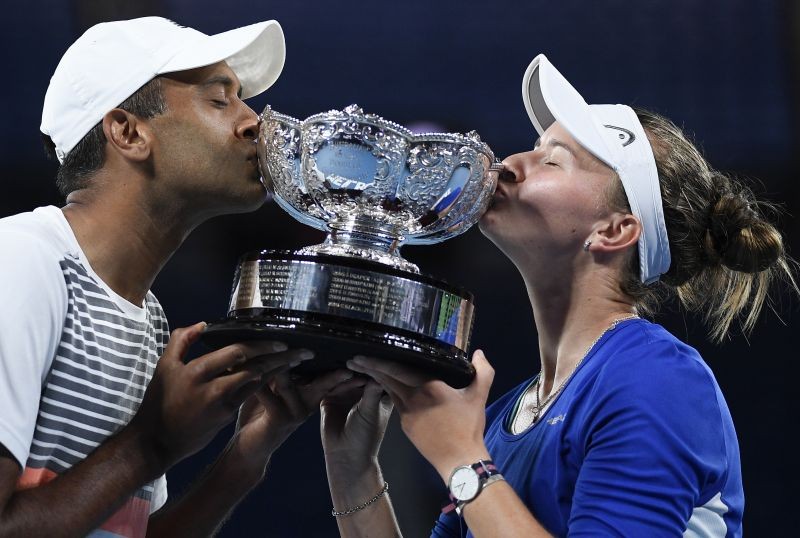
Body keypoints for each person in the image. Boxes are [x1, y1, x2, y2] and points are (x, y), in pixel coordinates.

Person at [318, 54, 798, 537]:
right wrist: (352, 469)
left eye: (552, 160)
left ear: (613, 231)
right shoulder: (506, 417)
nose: (508, 165)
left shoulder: (658, 379)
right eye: (532, 147)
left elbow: (467, 464)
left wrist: (463, 460)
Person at [0, 16, 354, 537]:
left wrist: (246, 455)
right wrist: (152, 443)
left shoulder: (149, 319)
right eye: (219, 100)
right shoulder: (22, 261)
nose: (254, 121)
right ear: (128, 131)